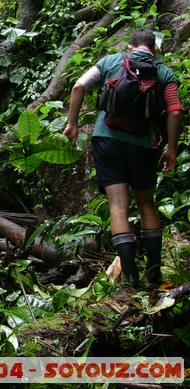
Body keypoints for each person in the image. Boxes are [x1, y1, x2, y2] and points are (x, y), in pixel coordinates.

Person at [63, 29, 182, 288]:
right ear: (155, 49)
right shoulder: (162, 72)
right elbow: (174, 110)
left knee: (118, 206)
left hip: (107, 140)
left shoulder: (110, 62)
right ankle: (154, 273)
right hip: (143, 146)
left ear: (130, 47)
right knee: (146, 203)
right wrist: (171, 149)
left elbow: (78, 85)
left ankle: (130, 278)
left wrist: (72, 124)